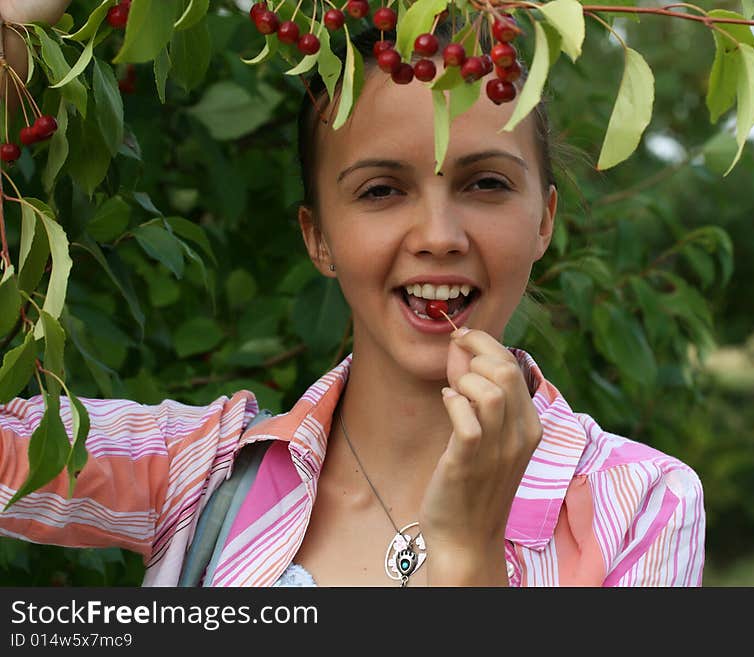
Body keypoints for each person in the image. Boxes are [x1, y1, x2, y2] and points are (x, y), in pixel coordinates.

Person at [0, 2, 705, 587]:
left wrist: (468, 556)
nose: (438, 235)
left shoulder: (640, 505)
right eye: (382, 190)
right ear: (318, 238)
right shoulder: (202, 470)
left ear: (545, 218)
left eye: (485, 183)